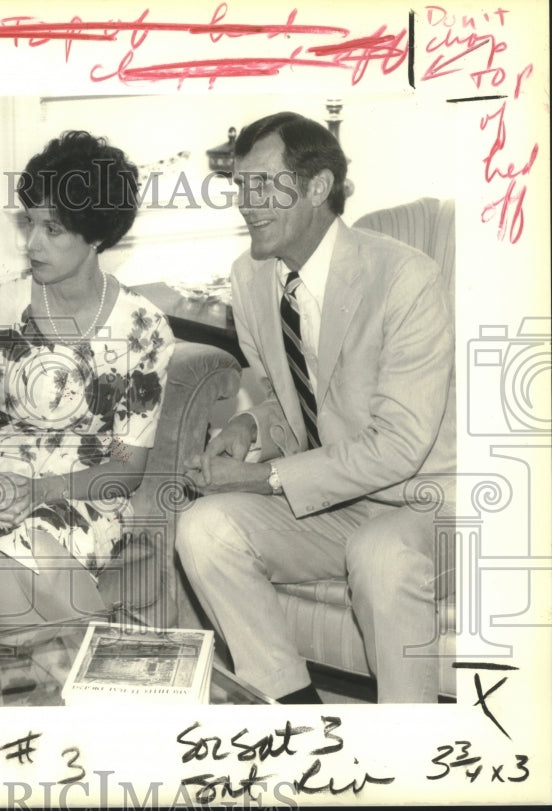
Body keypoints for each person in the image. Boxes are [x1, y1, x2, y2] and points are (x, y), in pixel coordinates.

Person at [176, 112, 456, 704]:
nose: (246, 204)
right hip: (336, 503)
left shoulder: (406, 278)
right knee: (205, 527)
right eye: (240, 186)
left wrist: (261, 476)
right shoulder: (250, 277)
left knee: (378, 552)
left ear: (317, 187)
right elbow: (297, 399)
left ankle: (409, 749)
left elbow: (400, 446)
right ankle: (290, 710)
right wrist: (250, 423)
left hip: (424, 505)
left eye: (263, 185)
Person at [0, 130, 176, 629]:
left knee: (28, 546)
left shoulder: (144, 327)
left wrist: (42, 491)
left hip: (80, 492)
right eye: (30, 223)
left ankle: (82, 672)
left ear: (95, 237)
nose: (32, 244)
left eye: (53, 229)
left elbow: (127, 469)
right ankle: (111, 663)